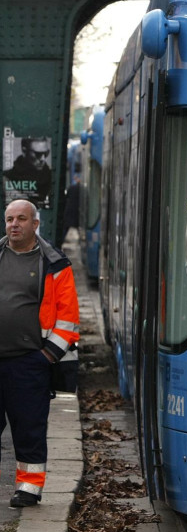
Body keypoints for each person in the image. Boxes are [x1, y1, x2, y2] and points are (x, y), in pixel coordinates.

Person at [0, 199, 79, 508]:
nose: (13, 224)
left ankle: (29, 488)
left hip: (29, 362)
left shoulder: (54, 263)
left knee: (28, 426)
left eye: (21, 219)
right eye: (9, 219)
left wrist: (46, 357)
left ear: (35, 224)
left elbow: (68, 318)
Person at [3, 137, 52, 205]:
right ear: (24, 151)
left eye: (46, 153)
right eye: (38, 154)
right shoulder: (7, 178)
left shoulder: (51, 177)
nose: (43, 159)